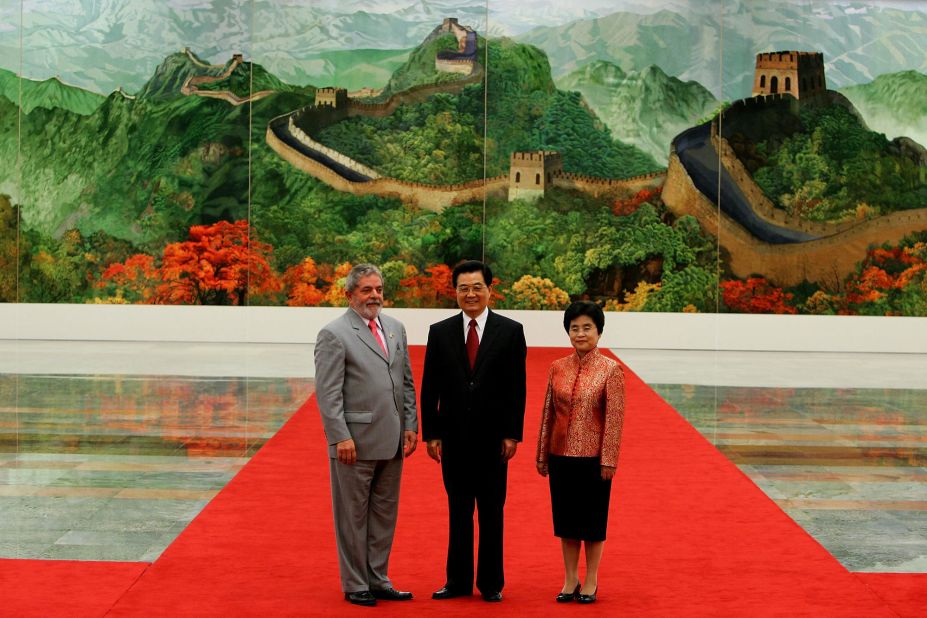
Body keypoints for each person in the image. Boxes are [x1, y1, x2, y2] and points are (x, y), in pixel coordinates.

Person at [421, 260, 527, 603]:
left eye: (476, 287)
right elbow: (430, 387)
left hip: (494, 441)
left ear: (489, 290)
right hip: (453, 439)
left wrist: (512, 433)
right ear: (455, 293)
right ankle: (458, 581)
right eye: (463, 288)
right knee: (459, 510)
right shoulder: (440, 332)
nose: (470, 294)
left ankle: (491, 583)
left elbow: (517, 387)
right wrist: (431, 433)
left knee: (492, 511)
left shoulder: (510, 331)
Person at [314, 263, 419, 607]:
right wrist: (339, 436)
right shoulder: (334, 334)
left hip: (392, 441)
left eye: (378, 290)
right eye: (366, 290)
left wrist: (410, 424)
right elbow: (328, 393)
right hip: (353, 445)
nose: (375, 296)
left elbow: (405, 381)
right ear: (349, 295)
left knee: (384, 515)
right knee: (352, 517)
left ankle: (379, 578)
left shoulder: (395, 328)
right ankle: (355, 582)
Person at [535, 300, 625, 605]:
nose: (581, 333)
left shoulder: (611, 370)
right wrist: (542, 455)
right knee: (567, 521)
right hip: (561, 457)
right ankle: (570, 578)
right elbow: (548, 413)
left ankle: (591, 579)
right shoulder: (557, 367)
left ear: (599, 331)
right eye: (575, 328)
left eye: (587, 327)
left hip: (594, 460)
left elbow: (614, 419)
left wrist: (609, 459)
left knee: (592, 522)